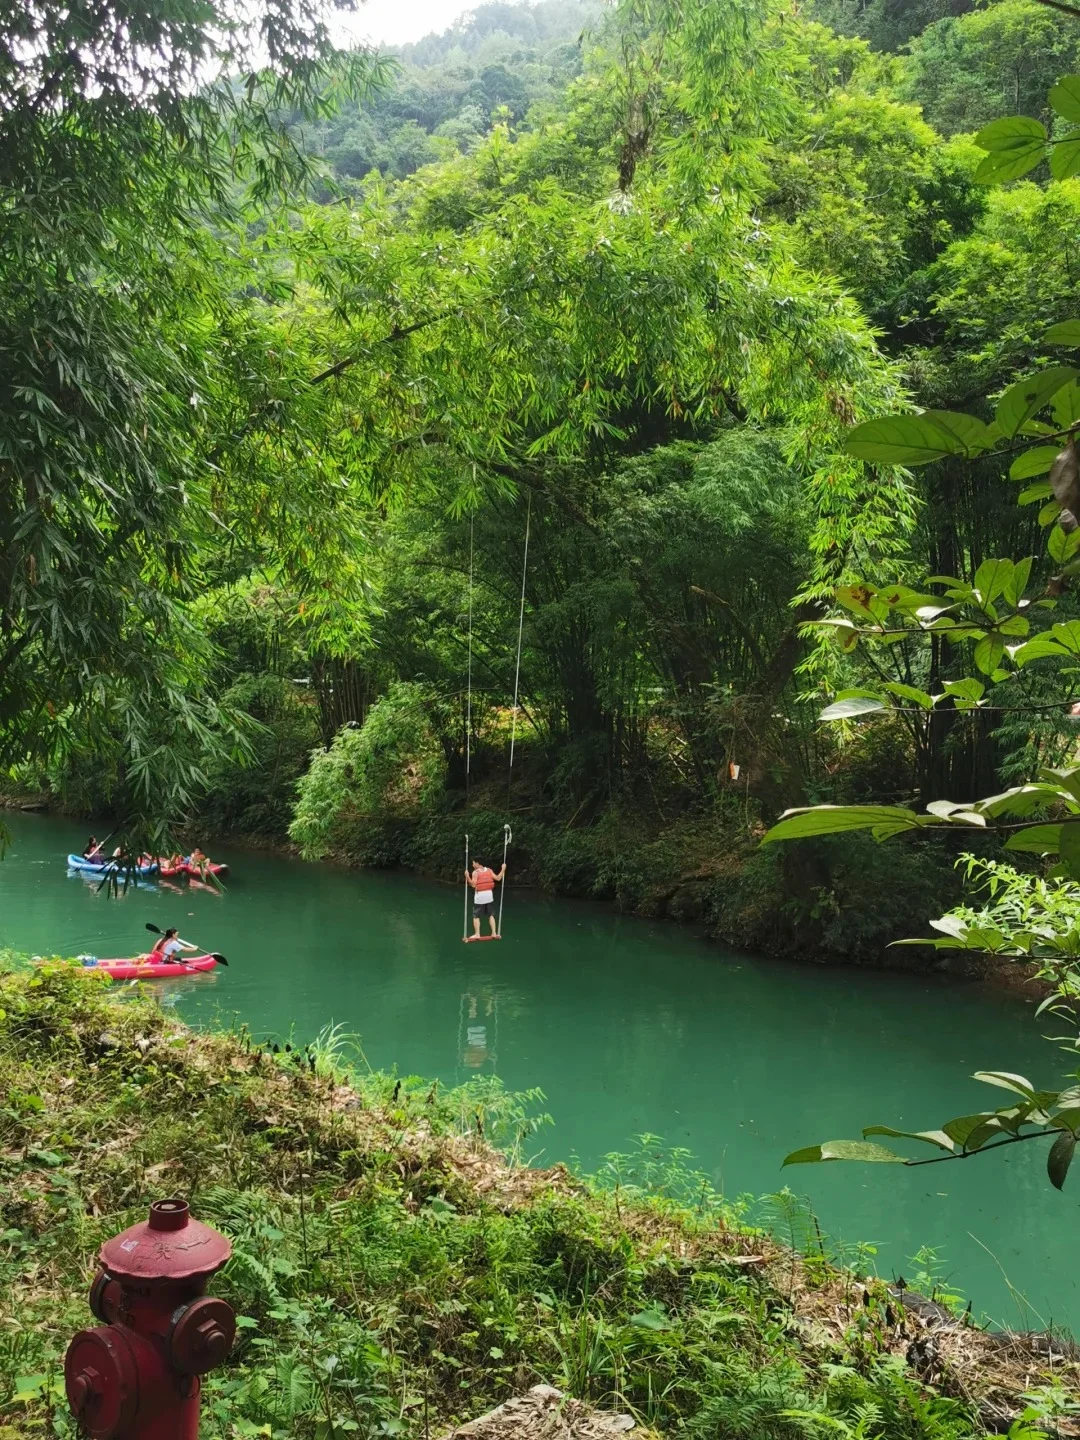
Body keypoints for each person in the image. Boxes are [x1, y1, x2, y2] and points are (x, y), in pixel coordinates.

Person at [464, 858, 506, 940]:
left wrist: (467, 877)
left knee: (476, 916)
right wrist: (503, 869)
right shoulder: (489, 870)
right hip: (489, 896)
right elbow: (498, 878)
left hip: (480, 897)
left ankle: (477, 934)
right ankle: (494, 933)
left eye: (473, 863)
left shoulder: (475, 873)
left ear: (478, 863)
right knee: (491, 915)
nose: (472, 865)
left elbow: (473, 885)